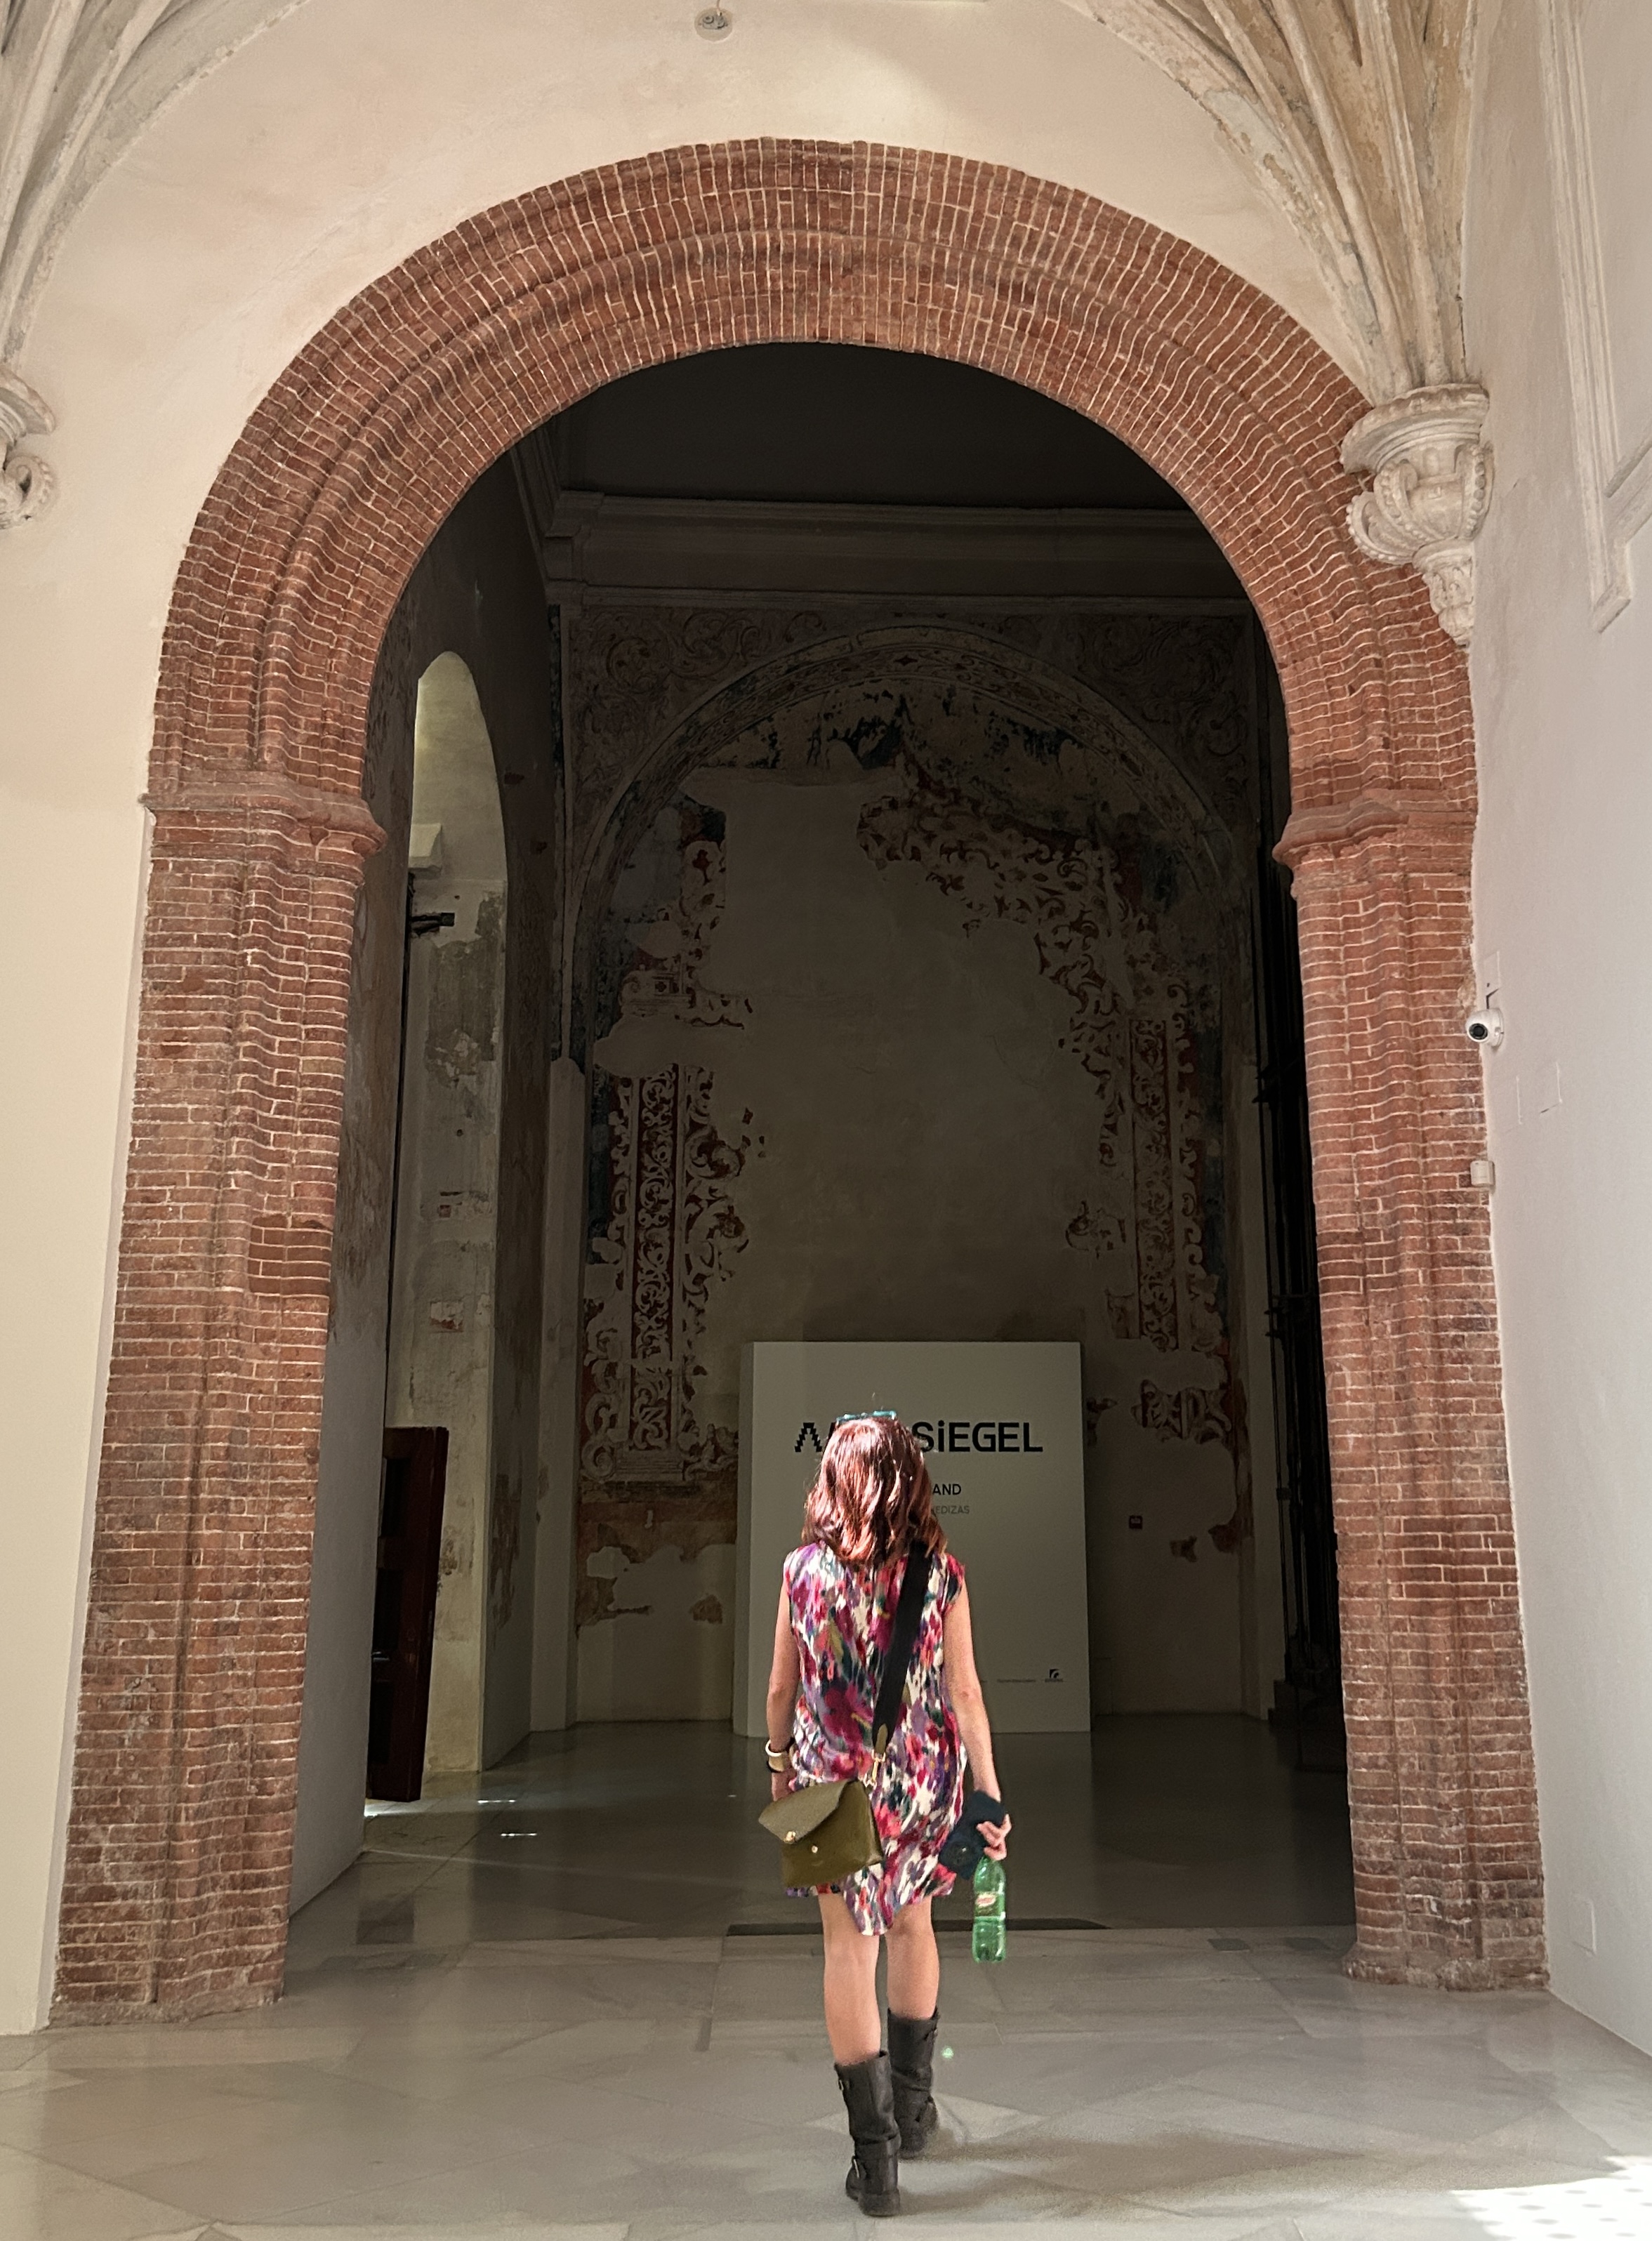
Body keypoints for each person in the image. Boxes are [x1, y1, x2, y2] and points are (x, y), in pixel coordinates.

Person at [765, 1413, 1012, 2218]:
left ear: (833, 1483)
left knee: (847, 1951)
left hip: (829, 1785)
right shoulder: (942, 1574)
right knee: (913, 1928)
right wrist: (989, 1795)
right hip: (921, 1782)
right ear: (911, 1480)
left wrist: (778, 1765)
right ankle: (913, 2112)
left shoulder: (801, 1571)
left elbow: (781, 1687)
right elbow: (965, 1692)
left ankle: (874, 2165)